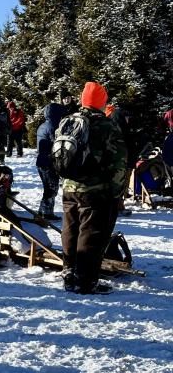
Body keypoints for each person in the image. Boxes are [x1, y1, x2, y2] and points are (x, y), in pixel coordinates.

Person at [61, 82, 126, 295]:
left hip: (69, 186)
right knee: (91, 233)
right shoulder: (106, 126)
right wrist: (116, 192)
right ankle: (86, 281)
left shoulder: (68, 121)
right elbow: (118, 161)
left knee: (70, 229)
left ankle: (69, 272)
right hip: (95, 189)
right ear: (101, 101)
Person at [35, 102, 66, 220]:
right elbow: (57, 142)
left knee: (47, 187)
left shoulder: (43, 125)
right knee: (51, 188)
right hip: (48, 161)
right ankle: (47, 212)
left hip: (41, 161)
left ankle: (43, 210)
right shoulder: (53, 125)